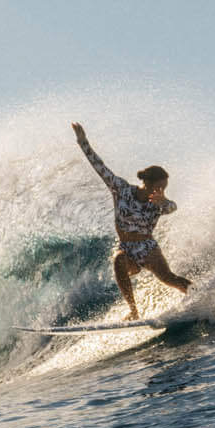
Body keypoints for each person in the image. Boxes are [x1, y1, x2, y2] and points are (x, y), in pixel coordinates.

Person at [72, 122, 190, 319]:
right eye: (159, 187)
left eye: (164, 188)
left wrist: (164, 201)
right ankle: (134, 311)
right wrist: (83, 142)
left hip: (148, 248)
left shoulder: (158, 203)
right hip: (127, 248)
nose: (161, 191)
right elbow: (100, 168)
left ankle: (199, 293)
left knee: (168, 278)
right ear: (147, 183)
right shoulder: (122, 190)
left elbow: (173, 208)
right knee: (118, 261)